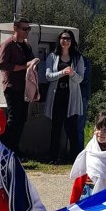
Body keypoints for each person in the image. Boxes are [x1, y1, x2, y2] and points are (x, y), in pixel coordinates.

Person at [44, 29, 85, 163]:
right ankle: (52, 157)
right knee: (56, 127)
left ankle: (74, 158)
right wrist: (63, 72)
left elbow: (80, 79)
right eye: (63, 38)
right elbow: (48, 76)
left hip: (71, 96)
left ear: (72, 41)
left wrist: (72, 73)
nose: (65, 41)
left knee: (72, 128)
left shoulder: (77, 58)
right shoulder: (52, 56)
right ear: (59, 40)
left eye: (68, 38)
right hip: (57, 96)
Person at [0, 18, 36, 155]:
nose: (26, 32)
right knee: (13, 119)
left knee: (22, 118)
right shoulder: (7, 45)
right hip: (12, 87)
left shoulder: (26, 46)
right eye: (24, 29)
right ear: (15, 29)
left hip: (24, 87)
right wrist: (23, 67)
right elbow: (1, 65)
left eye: (28, 29)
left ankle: (14, 149)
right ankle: (4, 149)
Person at [76, 55, 92, 152]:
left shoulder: (85, 61)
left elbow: (84, 79)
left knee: (79, 126)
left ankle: (79, 153)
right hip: (69, 96)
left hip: (82, 95)